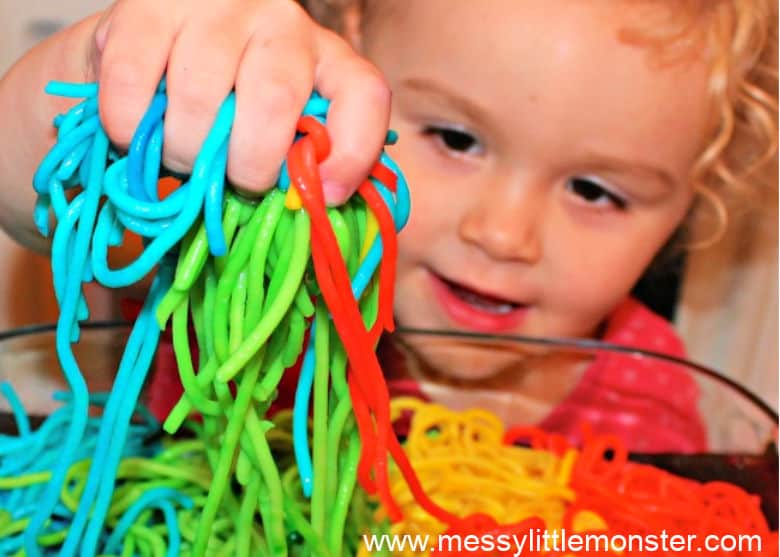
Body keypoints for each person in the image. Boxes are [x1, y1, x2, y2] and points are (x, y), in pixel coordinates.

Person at [0, 0, 775, 451]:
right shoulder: (234, 287)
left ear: (686, 205)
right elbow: (30, 197)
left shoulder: (651, 397)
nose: (506, 235)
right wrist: (121, 72)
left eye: (596, 191)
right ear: (348, 77)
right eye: (457, 140)